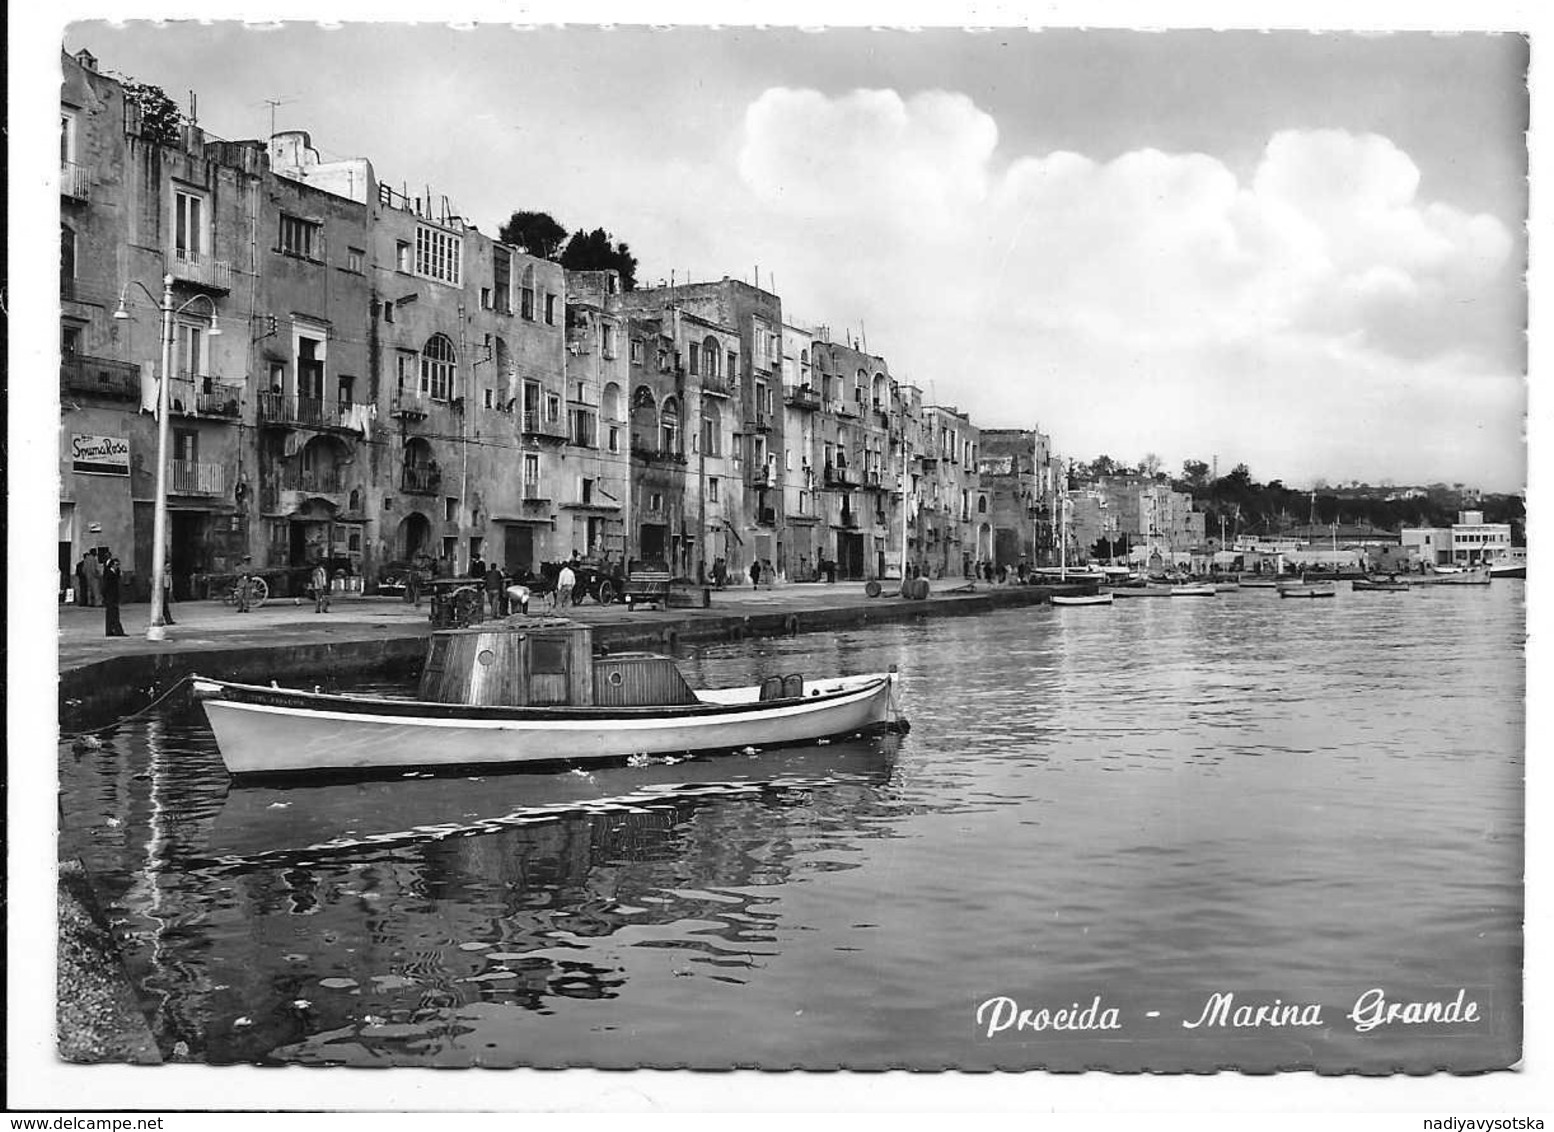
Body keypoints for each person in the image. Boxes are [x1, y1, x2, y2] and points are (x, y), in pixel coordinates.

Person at [102, 557, 126, 637]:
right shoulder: (109, 573)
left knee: (111, 614)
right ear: (112, 565)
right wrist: (105, 597)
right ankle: (118, 631)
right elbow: (105, 587)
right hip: (110, 597)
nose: (117, 566)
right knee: (113, 615)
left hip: (113, 597)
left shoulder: (115, 573)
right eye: (116, 565)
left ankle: (110, 631)